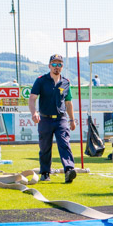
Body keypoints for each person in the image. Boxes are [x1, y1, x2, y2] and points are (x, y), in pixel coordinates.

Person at [29, 54, 77, 183]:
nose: (57, 67)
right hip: (45, 118)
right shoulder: (41, 80)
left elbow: (68, 102)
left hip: (61, 119)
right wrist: (34, 113)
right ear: (49, 65)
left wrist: (72, 119)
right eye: (54, 64)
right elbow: (32, 99)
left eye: (59, 64)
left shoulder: (66, 82)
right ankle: (45, 173)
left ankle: (68, 170)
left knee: (64, 143)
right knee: (45, 147)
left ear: (62, 66)